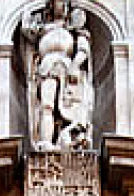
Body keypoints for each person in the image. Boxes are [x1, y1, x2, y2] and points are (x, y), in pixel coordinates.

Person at [22, 0, 92, 151]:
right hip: (47, 67)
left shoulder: (74, 27)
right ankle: (46, 142)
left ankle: (70, 139)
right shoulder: (43, 29)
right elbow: (27, 30)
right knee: (46, 105)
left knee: (69, 108)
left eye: (63, 2)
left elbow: (83, 49)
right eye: (57, 2)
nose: (60, 5)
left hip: (67, 68)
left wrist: (74, 66)